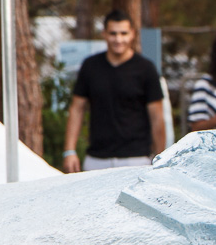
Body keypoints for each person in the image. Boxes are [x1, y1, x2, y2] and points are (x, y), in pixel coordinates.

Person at [63, 10, 166, 172]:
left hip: (136, 159)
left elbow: (157, 117)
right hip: (97, 159)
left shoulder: (146, 68)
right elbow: (77, 108)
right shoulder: (90, 66)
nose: (118, 39)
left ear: (132, 34)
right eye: (113, 33)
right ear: (104, 34)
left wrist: (161, 158)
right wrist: (69, 151)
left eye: (123, 33)